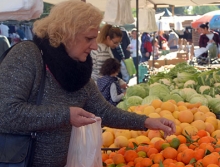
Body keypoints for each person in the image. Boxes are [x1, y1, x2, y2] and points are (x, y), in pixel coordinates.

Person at [0, 1, 175, 166]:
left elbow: (103, 111)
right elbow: (6, 112)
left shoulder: (78, 69)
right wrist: (65, 115)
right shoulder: (28, 55)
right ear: (67, 34)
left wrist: (147, 121)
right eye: (89, 38)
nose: (94, 46)